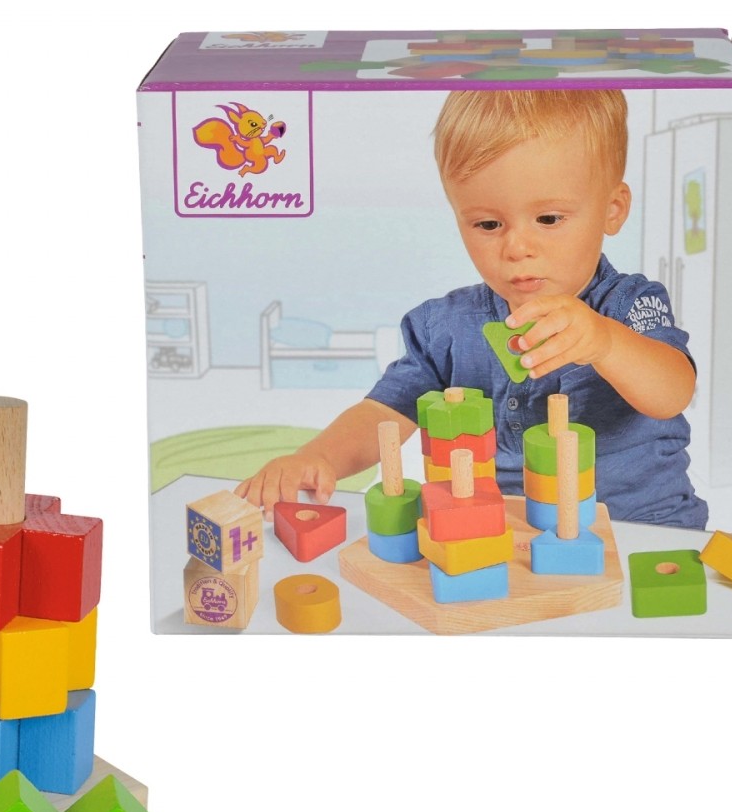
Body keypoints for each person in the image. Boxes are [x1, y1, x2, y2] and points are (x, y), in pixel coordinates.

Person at [238, 89, 707, 527]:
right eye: (487, 224)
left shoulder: (627, 304)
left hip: (641, 527)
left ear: (612, 210)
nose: (516, 247)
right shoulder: (444, 326)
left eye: (548, 218)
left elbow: (672, 392)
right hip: (504, 535)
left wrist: (605, 343)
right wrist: (317, 456)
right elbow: (385, 412)